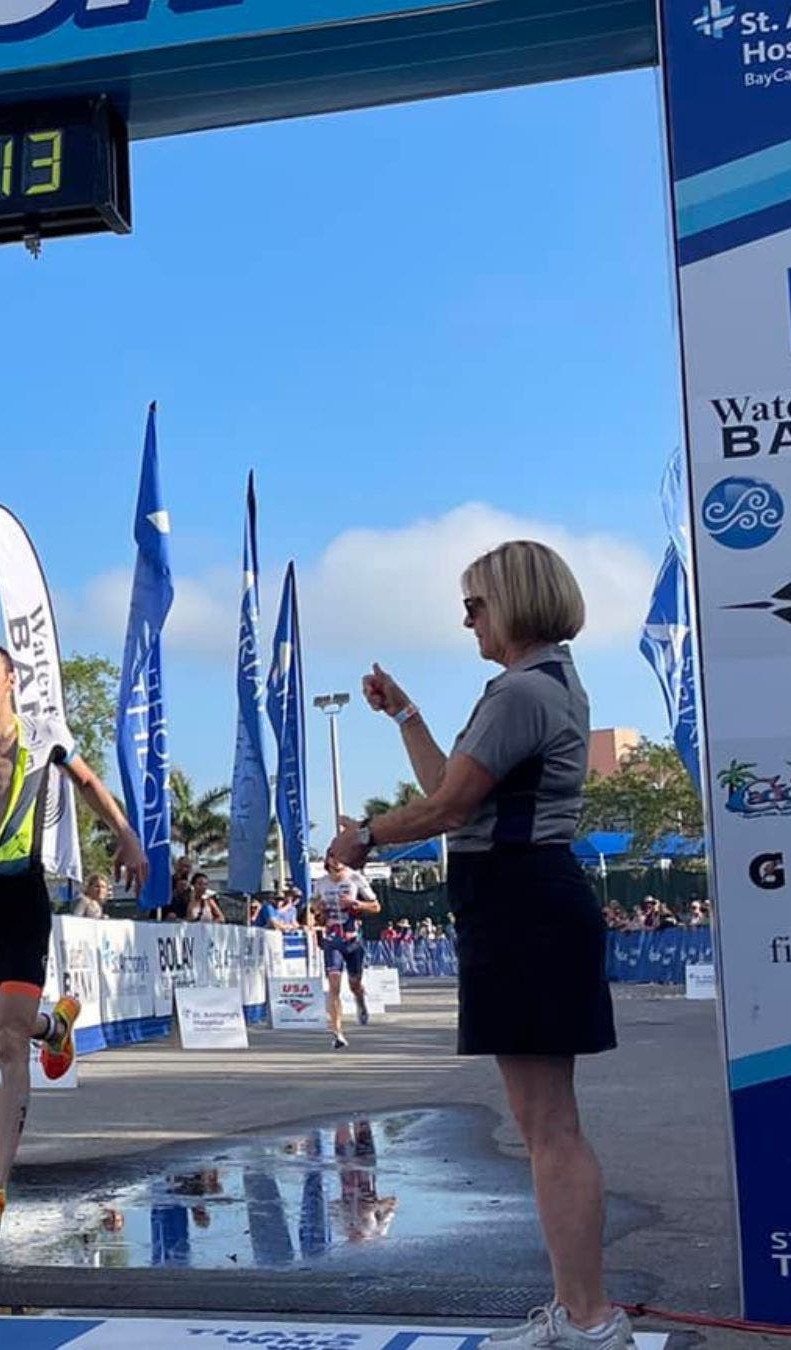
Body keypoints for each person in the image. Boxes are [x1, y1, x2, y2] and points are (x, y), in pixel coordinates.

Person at [328, 539, 625, 1350]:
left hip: (521, 902)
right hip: (523, 901)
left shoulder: (521, 691)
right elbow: (452, 791)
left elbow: (448, 808)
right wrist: (407, 717)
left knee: (549, 1126)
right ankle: (578, 1311)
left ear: (516, 600)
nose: (467, 620)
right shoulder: (542, 684)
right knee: (544, 1123)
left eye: (475, 604)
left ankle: (589, 1317)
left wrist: (366, 836)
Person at [0, 640, 147, 1239]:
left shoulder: (44, 736)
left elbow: (87, 782)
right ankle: (53, 1026)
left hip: (21, 895)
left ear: (10, 679)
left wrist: (125, 834)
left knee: (10, 1043)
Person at [311, 854, 380, 1050]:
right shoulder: (321, 883)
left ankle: (360, 999)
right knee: (334, 986)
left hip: (352, 939)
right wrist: (318, 909)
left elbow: (376, 906)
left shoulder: (355, 878)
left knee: (354, 983)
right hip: (332, 940)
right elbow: (314, 909)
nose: (338, 860)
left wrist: (355, 903)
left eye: (341, 856)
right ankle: (337, 1033)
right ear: (327, 861)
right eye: (333, 857)